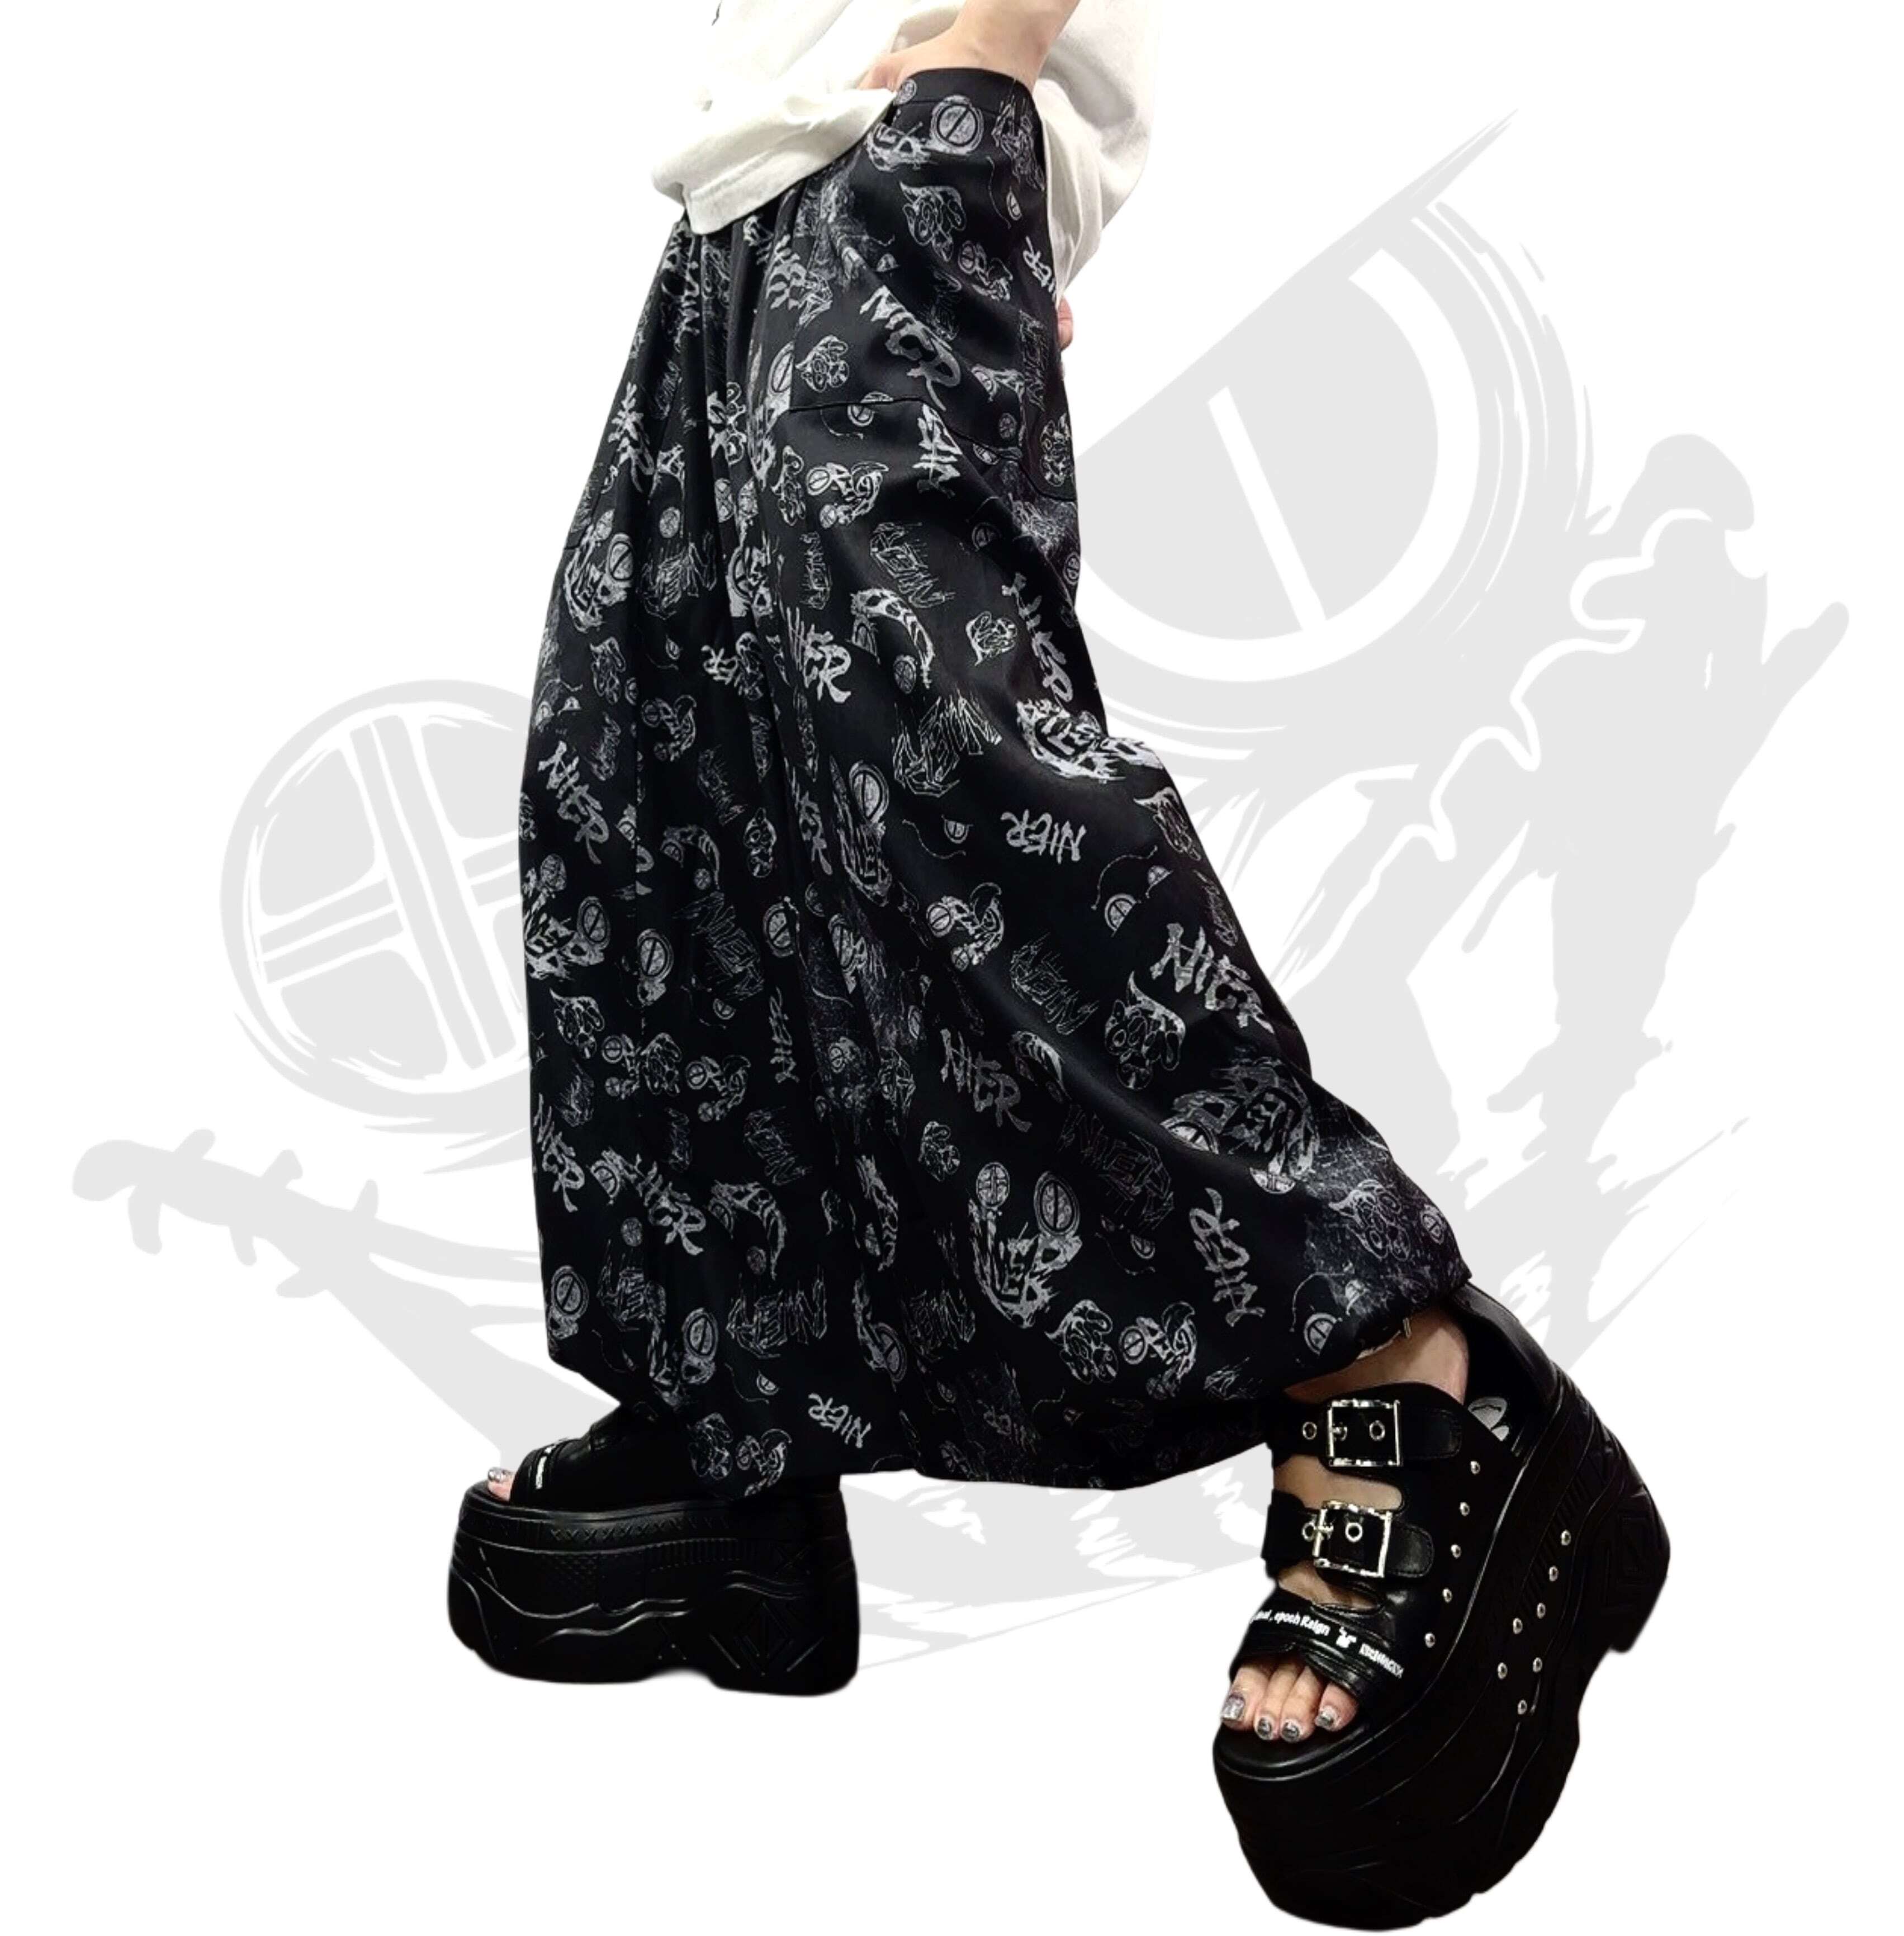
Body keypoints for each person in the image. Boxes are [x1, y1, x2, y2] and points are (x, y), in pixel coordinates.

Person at [447, 2, 1667, 1920]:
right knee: (644, 776)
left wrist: (990, 66)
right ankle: (730, 1414)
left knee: (954, 775)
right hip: (746, 190)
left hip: (894, 135)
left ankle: (1396, 1353)